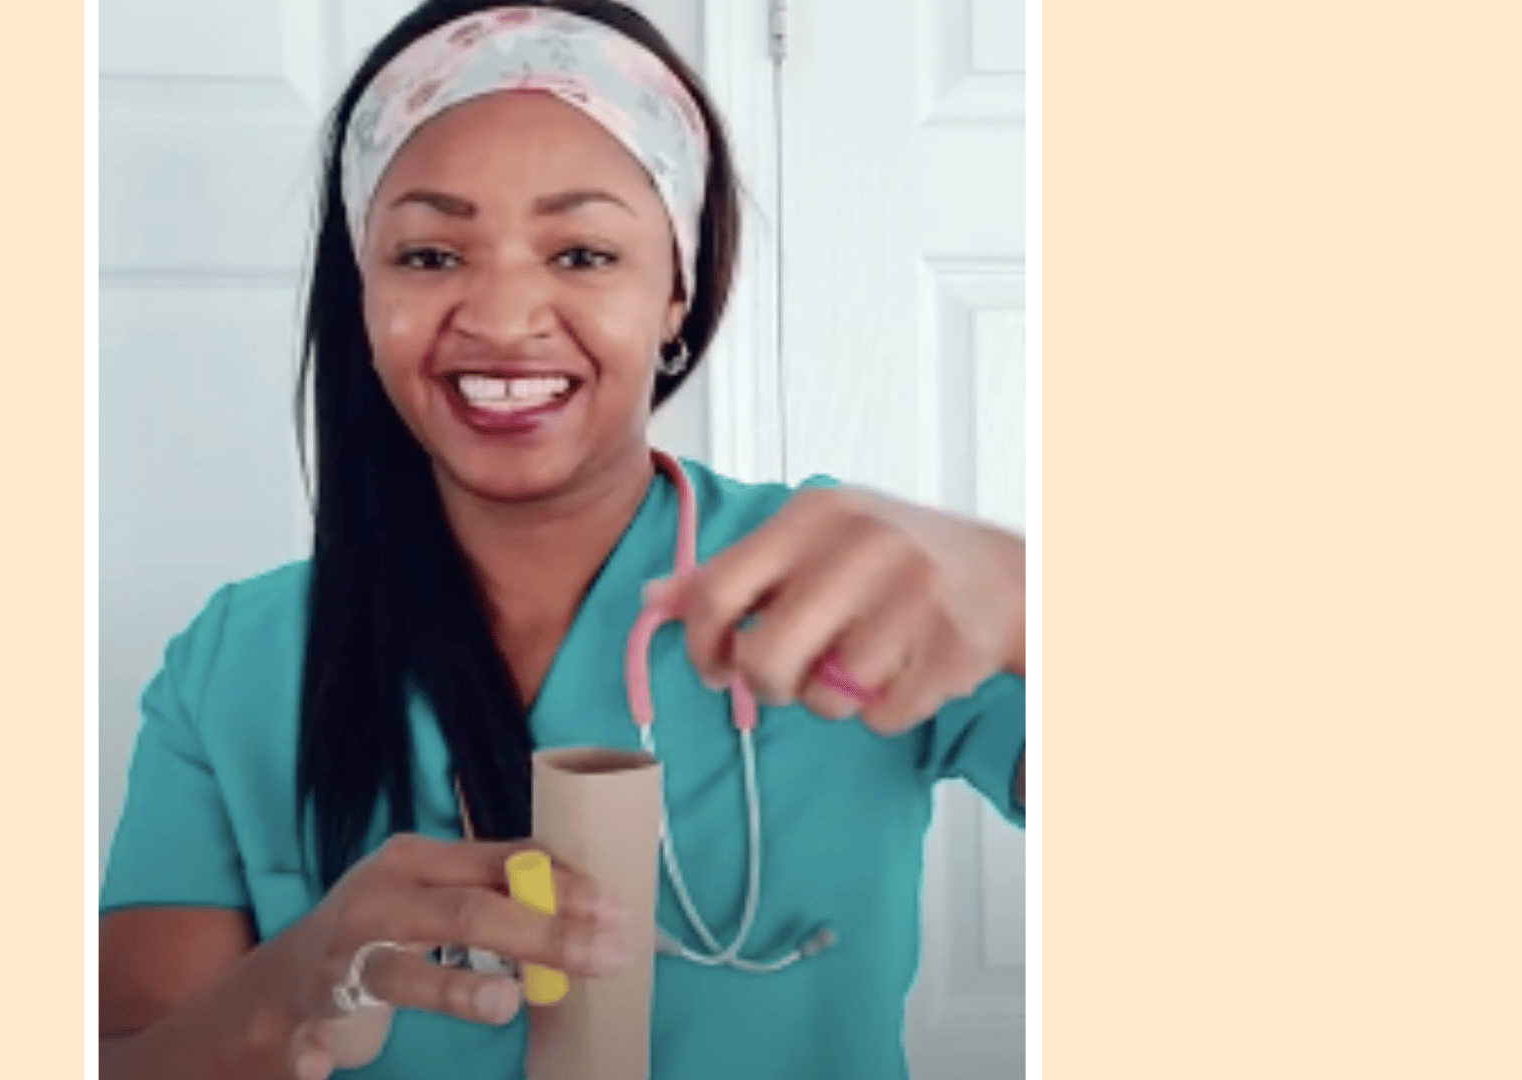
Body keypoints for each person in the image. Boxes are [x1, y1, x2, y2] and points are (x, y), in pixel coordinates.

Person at [99, 2, 1026, 1077]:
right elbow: (130, 1052)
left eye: (582, 253)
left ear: (676, 286)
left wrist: (1029, 602)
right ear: (363, 289)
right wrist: (285, 990)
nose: (500, 317)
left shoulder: (856, 584)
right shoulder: (239, 658)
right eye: (431, 252)